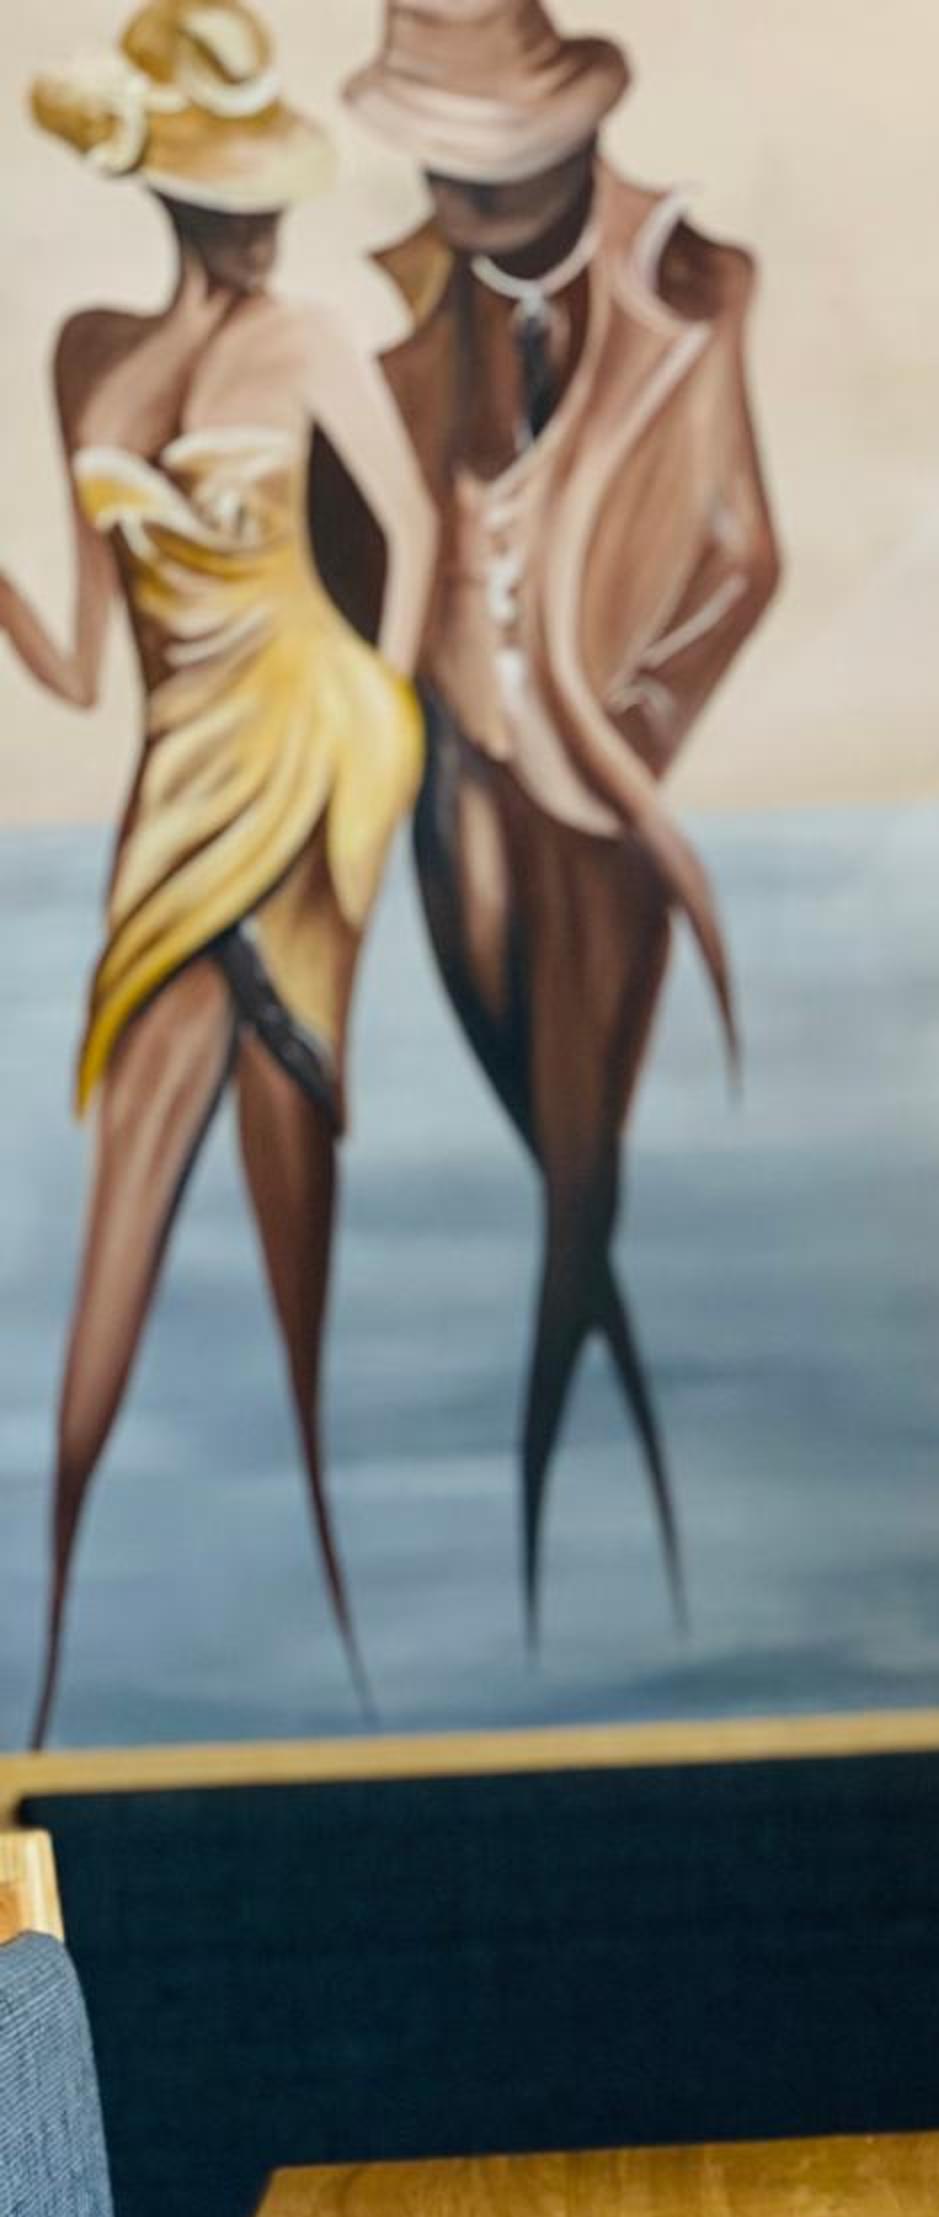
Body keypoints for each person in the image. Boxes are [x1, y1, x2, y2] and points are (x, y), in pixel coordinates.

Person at [7, 2, 434, 1747]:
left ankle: (337, 1618)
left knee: (283, 1134)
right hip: (175, 775)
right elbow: (82, 661)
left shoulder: (312, 339)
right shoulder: (90, 359)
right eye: (234, 196)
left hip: (308, 750)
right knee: (126, 1157)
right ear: (181, 197)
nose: (261, 225)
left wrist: (380, 738)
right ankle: (46, 1657)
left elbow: (411, 535)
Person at [342, 0, 781, 1631]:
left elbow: (744, 555)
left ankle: (578, 1483)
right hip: (453, 759)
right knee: (545, 1121)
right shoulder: (396, 316)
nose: (458, 203)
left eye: (490, 167)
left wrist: (635, 732)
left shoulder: (698, 290)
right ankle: (587, 1483)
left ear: (572, 141)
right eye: (442, 169)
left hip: (601, 789)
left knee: (585, 1144)